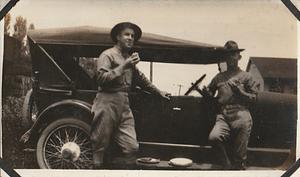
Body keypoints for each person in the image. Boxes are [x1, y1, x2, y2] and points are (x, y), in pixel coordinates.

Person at [90, 22, 170, 169]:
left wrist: (159, 92)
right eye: (127, 34)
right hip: (107, 101)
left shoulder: (128, 58)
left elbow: (142, 79)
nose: (130, 38)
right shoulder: (107, 55)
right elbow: (101, 79)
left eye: (132, 36)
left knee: (131, 147)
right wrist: (124, 66)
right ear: (118, 37)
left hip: (124, 105)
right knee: (99, 146)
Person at [202, 40, 259, 170]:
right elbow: (211, 94)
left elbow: (254, 98)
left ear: (239, 57)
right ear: (224, 58)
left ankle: (238, 168)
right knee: (214, 138)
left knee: (239, 156)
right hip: (223, 116)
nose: (230, 57)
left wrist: (239, 92)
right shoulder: (219, 77)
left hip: (241, 115)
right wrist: (207, 93)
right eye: (227, 55)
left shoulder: (247, 76)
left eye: (233, 54)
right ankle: (226, 166)